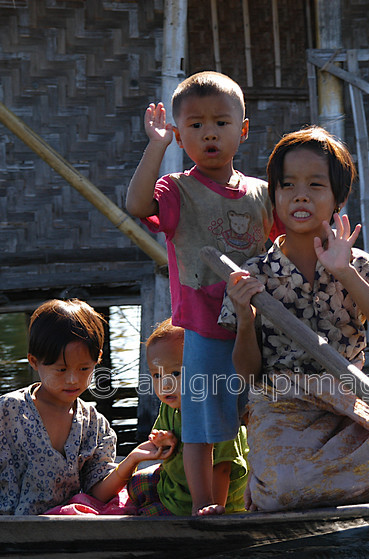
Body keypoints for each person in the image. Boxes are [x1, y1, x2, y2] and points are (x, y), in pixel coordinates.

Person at [221, 126, 369, 511]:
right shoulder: (254, 275)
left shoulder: (363, 265)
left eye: (315, 185)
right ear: (274, 195)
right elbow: (247, 374)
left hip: (347, 401)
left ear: (337, 199)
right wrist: (246, 318)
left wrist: (345, 272)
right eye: (288, 185)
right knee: (283, 492)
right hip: (282, 405)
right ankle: (290, 484)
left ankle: (316, 483)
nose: (300, 195)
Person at [126, 71, 275, 515]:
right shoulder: (178, 190)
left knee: (267, 414)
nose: (209, 132)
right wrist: (156, 147)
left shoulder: (262, 194)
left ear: (242, 130)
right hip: (207, 332)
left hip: (262, 329)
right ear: (179, 133)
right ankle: (204, 506)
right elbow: (136, 206)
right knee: (202, 426)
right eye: (194, 125)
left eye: (221, 123)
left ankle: (271, 494)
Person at [0, 298, 175, 515]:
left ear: (98, 360)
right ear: (34, 362)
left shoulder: (95, 425)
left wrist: (132, 460)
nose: (73, 379)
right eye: (61, 370)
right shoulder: (8, 411)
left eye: (84, 369)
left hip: (68, 529)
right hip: (10, 528)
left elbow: (97, 493)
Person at [126, 318, 249, 516]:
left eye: (175, 373)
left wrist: (214, 509)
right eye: (157, 375)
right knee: (136, 483)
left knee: (148, 517)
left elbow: (223, 470)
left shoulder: (218, 411)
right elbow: (159, 442)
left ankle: (183, 512)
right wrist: (162, 440)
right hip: (178, 484)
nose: (165, 385)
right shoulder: (169, 407)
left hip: (212, 498)